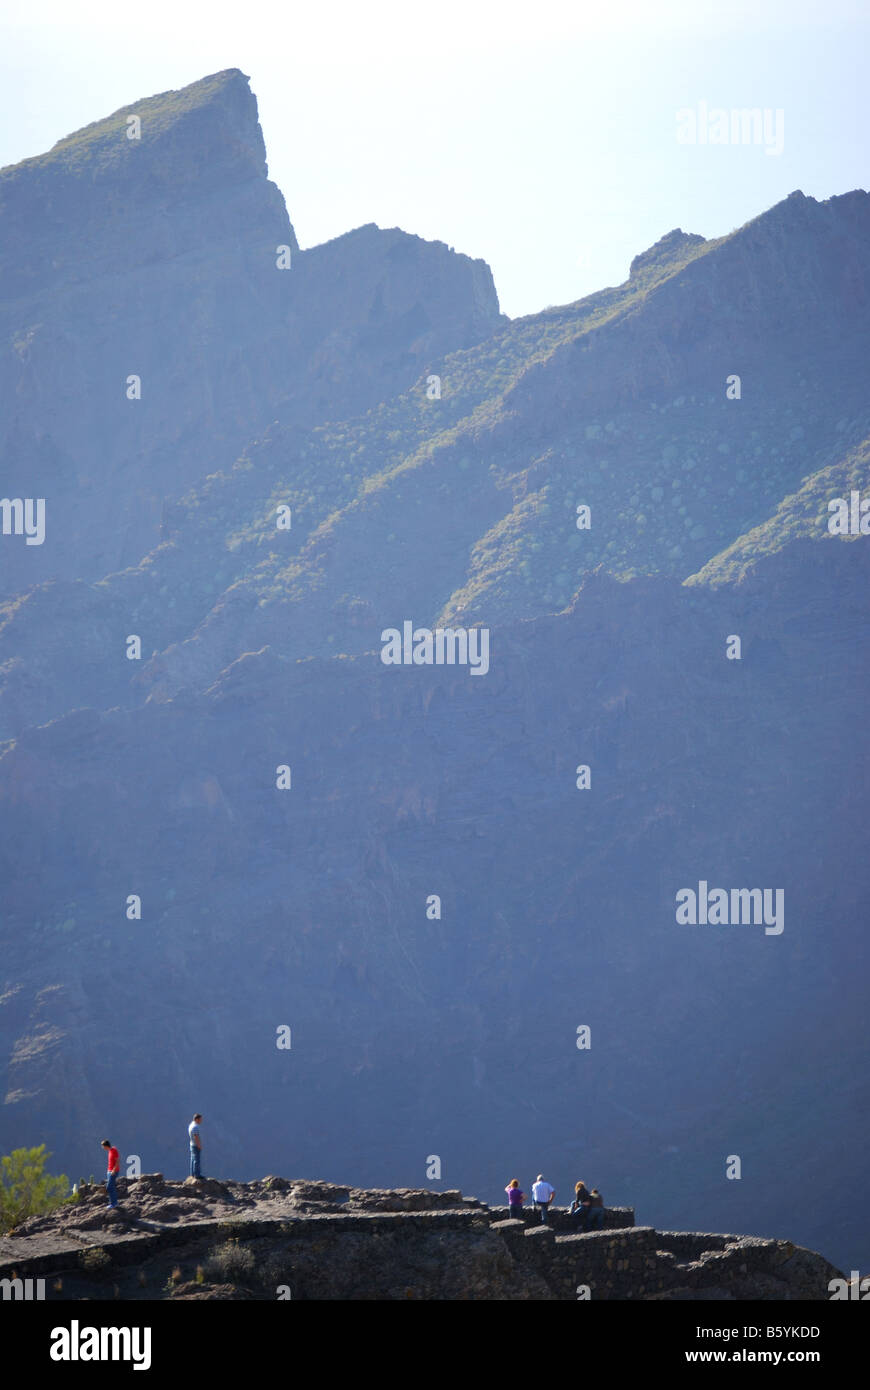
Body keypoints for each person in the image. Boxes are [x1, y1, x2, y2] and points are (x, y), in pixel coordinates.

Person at [101, 1139, 120, 1209]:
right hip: (109, 1171)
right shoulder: (110, 1151)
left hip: (113, 1172)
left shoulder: (114, 1150)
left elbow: (117, 1161)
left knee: (109, 1187)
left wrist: (114, 1170)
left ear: (106, 1146)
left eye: (103, 1146)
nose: (102, 1148)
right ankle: (114, 1203)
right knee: (112, 1187)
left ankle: (113, 1203)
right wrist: (108, 1171)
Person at [188, 1113, 204, 1178]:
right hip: (195, 1145)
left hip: (191, 1144)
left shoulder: (191, 1125)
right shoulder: (195, 1127)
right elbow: (196, 1137)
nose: (201, 1121)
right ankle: (197, 1175)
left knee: (192, 1159)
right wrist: (199, 1145)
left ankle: (192, 1174)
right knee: (196, 1160)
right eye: (200, 1119)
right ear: (197, 1119)